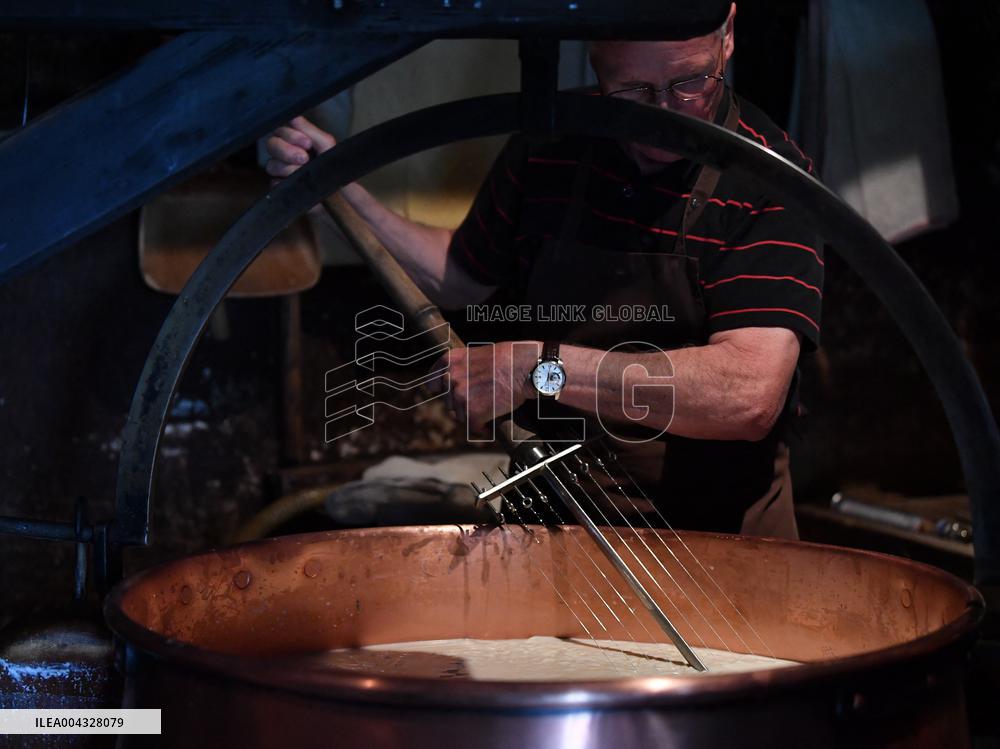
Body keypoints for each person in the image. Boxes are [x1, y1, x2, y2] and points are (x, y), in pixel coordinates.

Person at [265, 2, 821, 539]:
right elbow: (459, 275)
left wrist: (540, 369)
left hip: (719, 542)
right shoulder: (555, 143)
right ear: (594, 56)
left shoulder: (770, 178)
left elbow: (746, 396)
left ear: (726, 33)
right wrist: (337, 193)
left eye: (689, 84)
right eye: (631, 91)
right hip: (560, 520)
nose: (662, 114)